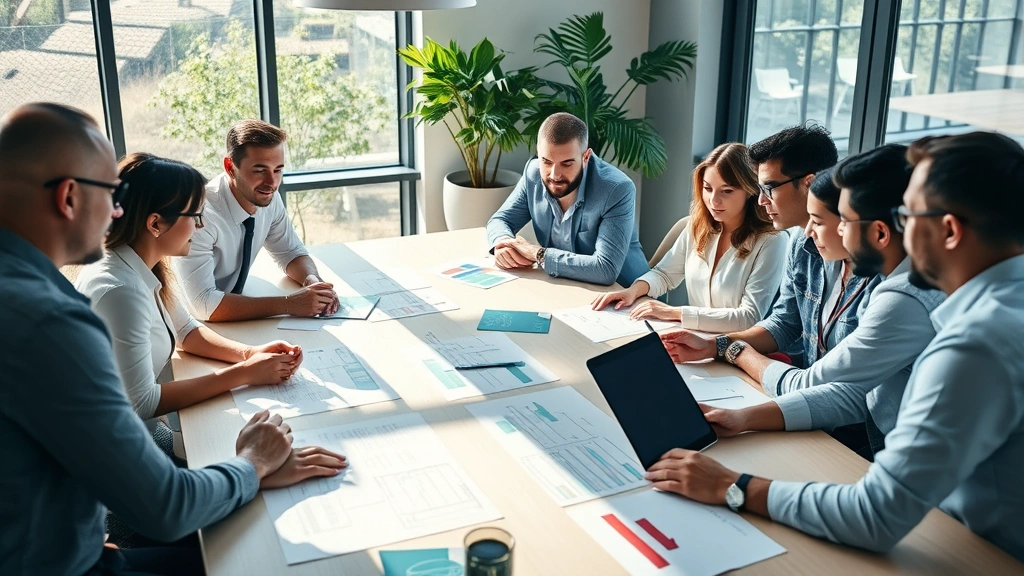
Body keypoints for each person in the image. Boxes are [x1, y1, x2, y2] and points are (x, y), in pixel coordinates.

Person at [0, 103, 346, 576]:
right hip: (66, 563)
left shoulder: (34, 286)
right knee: (259, 556)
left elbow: (183, 332)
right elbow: (164, 507)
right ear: (69, 197)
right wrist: (252, 464)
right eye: (110, 192)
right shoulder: (55, 319)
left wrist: (247, 358)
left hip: (69, 540)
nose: (117, 210)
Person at [645, 132, 1024, 562]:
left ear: (949, 231)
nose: (894, 229)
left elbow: (874, 516)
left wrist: (730, 486)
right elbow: (861, 390)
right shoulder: (996, 308)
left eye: (907, 214)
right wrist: (744, 416)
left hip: (981, 553)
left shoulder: (972, 345)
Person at [701, 144, 946, 458]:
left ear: (881, 232)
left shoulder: (903, 299)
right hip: (872, 437)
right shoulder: (897, 282)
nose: (837, 231)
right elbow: (856, 392)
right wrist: (742, 419)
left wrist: (733, 349)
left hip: (892, 452)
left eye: (843, 220)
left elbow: (812, 384)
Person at [77, 153, 303, 428]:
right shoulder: (121, 293)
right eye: (195, 215)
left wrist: (250, 354)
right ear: (155, 224)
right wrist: (243, 373)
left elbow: (186, 331)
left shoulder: (140, 265)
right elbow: (141, 403)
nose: (201, 225)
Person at [658, 125, 876, 372]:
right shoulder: (799, 243)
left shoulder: (874, 274)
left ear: (809, 184)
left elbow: (844, 382)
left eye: (769, 188)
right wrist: (713, 346)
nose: (761, 200)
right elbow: (784, 323)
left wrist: (733, 353)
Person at [590, 143, 788, 332]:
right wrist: (632, 291)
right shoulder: (698, 225)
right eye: (708, 188)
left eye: (727, 191)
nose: (714, 201)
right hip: (695, 338)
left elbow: (748, 317)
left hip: (739, 349)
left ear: (750, 191)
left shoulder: (772, 241)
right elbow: (665, 274)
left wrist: (675, 313)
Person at [174, 119, 341, 322]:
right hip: (190, 325)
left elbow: (290, 252)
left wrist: (314, 284)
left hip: (237, 314)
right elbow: (203, 304)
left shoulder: (269, 198)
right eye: (260, 170)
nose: (272, 183)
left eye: (278, 170)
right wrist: (289, 304)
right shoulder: (200, 216)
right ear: (230, 166)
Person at [486, 112, 649, 287]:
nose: (554, 175)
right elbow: (500, 220)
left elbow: (605, 269)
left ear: (585, 157)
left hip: (628, 297)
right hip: (569, 289)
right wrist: (503, 245)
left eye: (567, 164)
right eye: (546, 161)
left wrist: (539, 254)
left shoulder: (616, 189)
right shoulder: (533, 173)